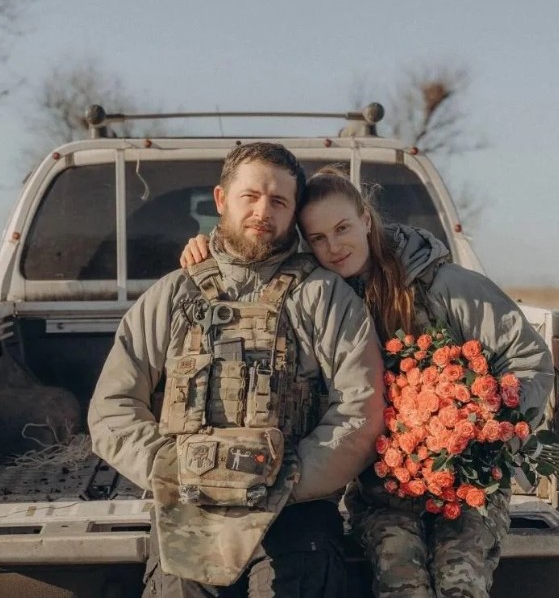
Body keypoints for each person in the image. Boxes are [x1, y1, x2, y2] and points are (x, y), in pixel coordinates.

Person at [180, 163, 554, 598]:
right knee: (402, 583)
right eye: (318, 238)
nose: (335, 246)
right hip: (384, 488)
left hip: (468, 483)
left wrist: (484, 430)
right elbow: (251, 262)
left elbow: (529, 360)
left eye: (342, 228)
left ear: (366, 219)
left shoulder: (442, 284)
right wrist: (209, 248)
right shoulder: (315, 298)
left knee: (460, 580)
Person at [89, 145, 385, 598]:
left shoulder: (326, 299)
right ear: (222, 199)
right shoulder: (172, 295)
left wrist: (283, 481)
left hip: (295, 510)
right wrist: (174, 471)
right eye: (251, 196)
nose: (263, 212)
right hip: (188, 507)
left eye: (279, 201)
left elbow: (359, 411)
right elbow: (113, 407)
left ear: (294, 214)